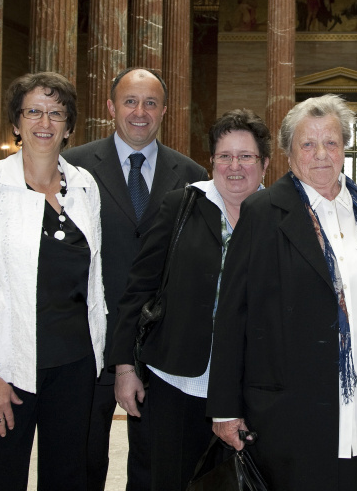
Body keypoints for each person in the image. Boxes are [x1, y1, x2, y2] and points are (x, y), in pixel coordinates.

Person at [207, 95, 357, 491]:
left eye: (331, 143)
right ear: (287, 152)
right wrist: (225, 408)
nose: (321, 155)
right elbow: (233, 314)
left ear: (345, 147)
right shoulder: (263, 212)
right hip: (290, 404)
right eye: (308, 144)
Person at [0, 72, 105, 490]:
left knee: (67, 478)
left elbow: (94, 281)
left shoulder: (85, 186)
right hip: (5, 368)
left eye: (57, 113)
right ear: (16, 123)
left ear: (70, 126)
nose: (45, 122)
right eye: (33, 111)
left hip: (74, 367)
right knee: (4, 480)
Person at [62, 67, 208, 491]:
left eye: (150, 102)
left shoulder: (193, 174)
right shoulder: (73, 166)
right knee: (82, 456)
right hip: (88, 341)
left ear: (164, 109)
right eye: (130, 101)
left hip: (159, 345)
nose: (140, 112)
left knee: (153, 462)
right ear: (111, 107)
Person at [110, 109, 271, 491]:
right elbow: (139, 288)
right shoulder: (181, 205)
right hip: (178, 381)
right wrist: (124, 368)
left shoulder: (280, 217)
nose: (235, 166)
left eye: (246, 157)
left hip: (253, 387)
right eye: (224, 156)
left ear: (264, 164)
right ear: (211, 161)